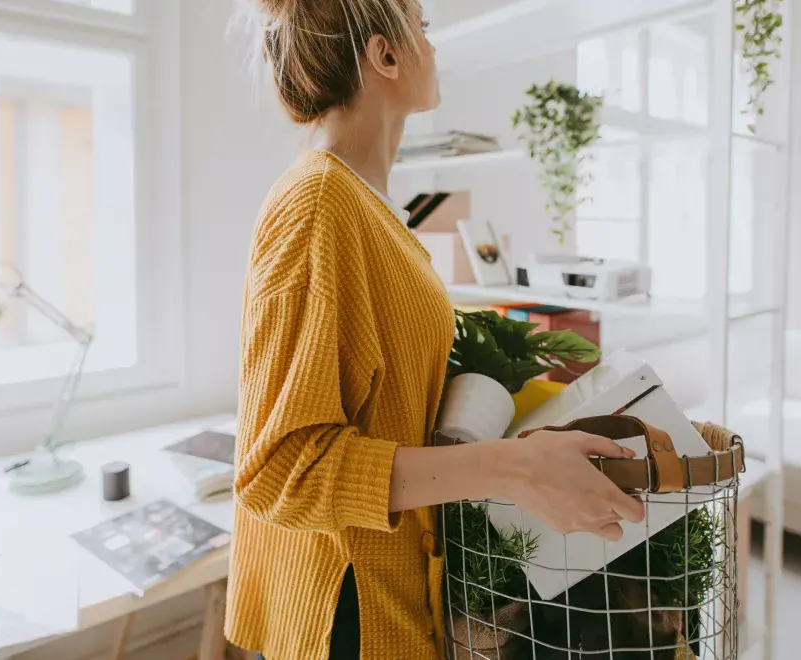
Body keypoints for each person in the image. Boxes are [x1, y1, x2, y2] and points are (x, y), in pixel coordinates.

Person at [225, 1, 646, 658]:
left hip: (392, 593)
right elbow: (280, 471)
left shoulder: (369, 206)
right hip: (347, 615)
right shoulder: (318, 204)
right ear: (384, 57)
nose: (432, 41)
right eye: (420, 26)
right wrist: (512, 469)